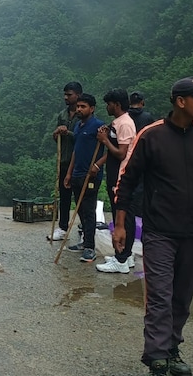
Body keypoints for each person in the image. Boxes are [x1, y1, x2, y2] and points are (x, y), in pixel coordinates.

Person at [113, 76, 193, 375]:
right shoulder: (151, 136)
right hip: (160, 231)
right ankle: (157, 355)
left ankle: (172, 348)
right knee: (160, 294)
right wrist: (120, 224)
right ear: (181, 101)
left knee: (182, 296)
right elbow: (126, 180)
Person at [94, 89, 137, 274]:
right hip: (115, 175)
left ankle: (121, 259)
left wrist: (104, 141)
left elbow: (121, 153)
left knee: (124, 217)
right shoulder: (117, 122)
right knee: (123, 215)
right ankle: (125, 255)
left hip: (121, 177)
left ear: (117, 105)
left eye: (109, 103)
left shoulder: (126, 123)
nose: (107, 107)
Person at [63, 93, 105, 263]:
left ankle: (90, 247)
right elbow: (75, 152)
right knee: (80, 209)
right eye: (78, 106)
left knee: (88, 210)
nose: (79, 109)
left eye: (83, 107)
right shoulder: (79, 127)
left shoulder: (99, 126)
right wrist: (68, 173)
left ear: (92, 108)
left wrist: (97, 165)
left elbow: (111, 150)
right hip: (77, 174)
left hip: (91, 176)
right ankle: (84, 242)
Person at [50, 82, 83, 241]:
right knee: (64, 196)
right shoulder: (62, 115)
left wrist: (68, 132)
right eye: (65, 94)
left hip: (78, 163)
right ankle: (63, 227)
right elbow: (56, 138)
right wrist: (57, 133)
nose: (66, 97)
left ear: (77, 95)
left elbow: (83, 138)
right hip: (63, 161)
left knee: (80, 197)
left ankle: (84, 229)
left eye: (69, 94)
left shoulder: (83, 115)